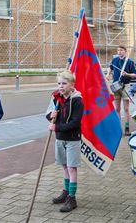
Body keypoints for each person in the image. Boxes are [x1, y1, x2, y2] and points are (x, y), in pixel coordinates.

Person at [46, 70, 84, 213]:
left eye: (64, 83)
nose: (61, 86)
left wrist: (56, 126)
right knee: (64, 166)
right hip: (60, 138)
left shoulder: (77, 100)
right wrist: (51, 116)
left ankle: (72, 198)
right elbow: (48, 114)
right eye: (59, 83)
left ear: (72, 84)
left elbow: (75, 122)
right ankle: (66, 192)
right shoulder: (56, 97)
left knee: (71, 167)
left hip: (72, 139)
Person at [106, 45, 136, 136]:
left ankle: (127, 128)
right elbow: (110, 68)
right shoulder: (115, 60)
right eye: (118, 50)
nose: (119, 52)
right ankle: (118, 128)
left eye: (121, 50)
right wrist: (108, 74)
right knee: (117, 108)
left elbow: (135, 75)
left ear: (125, 51)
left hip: (125, 86)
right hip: (116, 86)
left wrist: (127, 74)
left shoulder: (129, 62)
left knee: (126, 109)